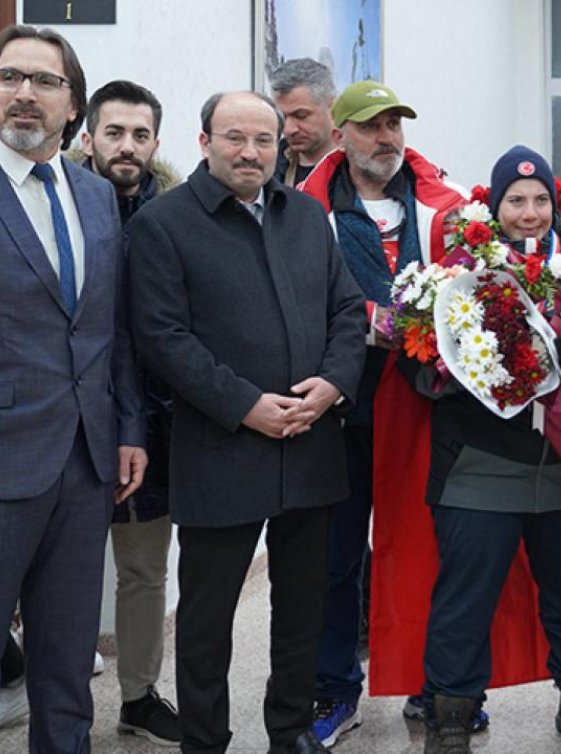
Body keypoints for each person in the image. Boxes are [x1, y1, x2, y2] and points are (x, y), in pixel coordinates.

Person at [128, 90, 367, 754]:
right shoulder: (163, 225)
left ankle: (288, 730)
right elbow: (164, 338)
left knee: (301, 611)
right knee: (206, 619)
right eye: (236, 138)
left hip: (311, 445)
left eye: (265, 140)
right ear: (204, 142)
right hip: (221, 450)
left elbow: (348, 313)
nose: (251, 152)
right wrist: (246, 406)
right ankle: (205, 740)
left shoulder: (307, 215)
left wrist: (332, 385)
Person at [413, 145, 561, 754]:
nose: (530, 212)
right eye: (516, 200)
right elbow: (425, 367)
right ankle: (450, 719)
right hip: (478, 466)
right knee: (466, 597)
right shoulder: (459, 272)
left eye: (540, 199)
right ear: (494, 207)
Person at [297, 79, 469, 747]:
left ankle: (436, 684)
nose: (386, 137)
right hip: (339, 408)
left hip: (426, 404)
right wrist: (370, 322)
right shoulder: (305, 211)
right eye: (370, 125)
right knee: (335, 560)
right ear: (340, 135)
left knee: (427, 550)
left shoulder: (444, 208)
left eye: (394, 123)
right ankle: (335, 690)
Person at [0, 23, 147, 753]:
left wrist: (128, 430)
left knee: (66, 671)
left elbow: (111, 327)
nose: (25, 94)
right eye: (10, 78)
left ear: (72, 104)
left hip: (85, 466)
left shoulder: (95, 195)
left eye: (44, 81)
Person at [73, 78, 184, 747]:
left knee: (143, 569)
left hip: (154, 429)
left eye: (140, 134)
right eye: (114, 132)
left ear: (156, 144)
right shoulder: (52, 205)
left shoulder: (172, 215)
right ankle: (46, 688)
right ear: (88, 137)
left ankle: (138, 696)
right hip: (66, 425)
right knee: (56, 566)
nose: (127, 146)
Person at [270, 58, 336, 186]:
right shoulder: (268, 168)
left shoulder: (361, 166)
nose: (288, 129)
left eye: (301, 116)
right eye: (282, 118)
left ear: (331, 105)